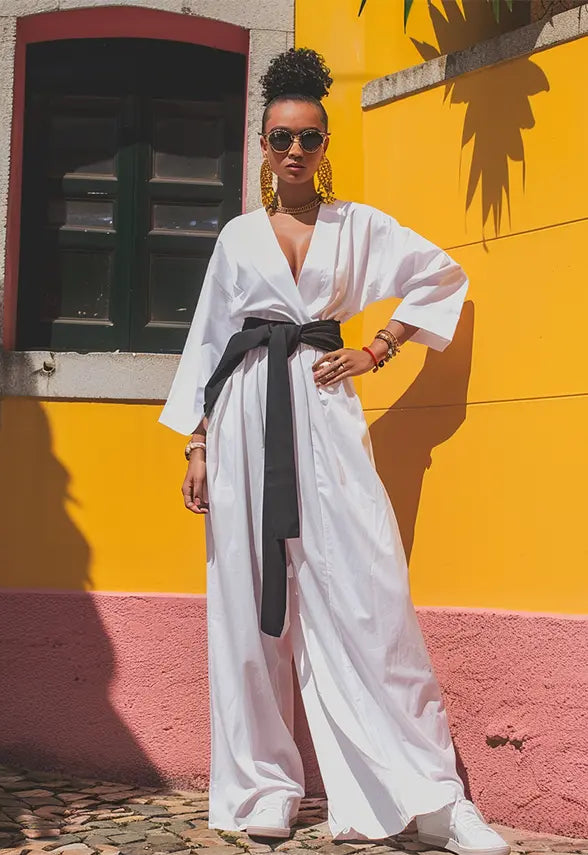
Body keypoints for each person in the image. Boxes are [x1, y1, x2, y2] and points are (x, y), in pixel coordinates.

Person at [159, 48, 508, 855]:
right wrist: (198, 445)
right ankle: (263, 784)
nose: (294, 152)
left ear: (325, 146)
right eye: (281, 137)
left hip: (323, 413)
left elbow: (439, 276)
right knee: (247, 609)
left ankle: (429, 795)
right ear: (262, 145)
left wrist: (379, 345)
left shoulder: (357, 226)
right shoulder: (238, 238)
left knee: (369, 596)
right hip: (245, 420)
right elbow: (208, 343)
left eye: (309, 139)